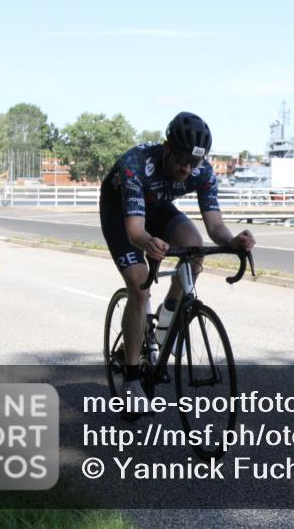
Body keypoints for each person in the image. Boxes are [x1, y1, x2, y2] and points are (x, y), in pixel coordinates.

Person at [99, 112, 255, 399]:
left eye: (194, 161)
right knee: (140, 283)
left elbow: (215, 226)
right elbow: (136, 231)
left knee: (194, 247)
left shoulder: (202, 171)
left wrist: (232, 241)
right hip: (120, 213)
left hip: (156, 208)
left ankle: (167, 313)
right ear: (167, 147)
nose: (187, 168)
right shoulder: (136, 164)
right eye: (182, 158)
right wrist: (149, 242)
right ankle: (132, 378)